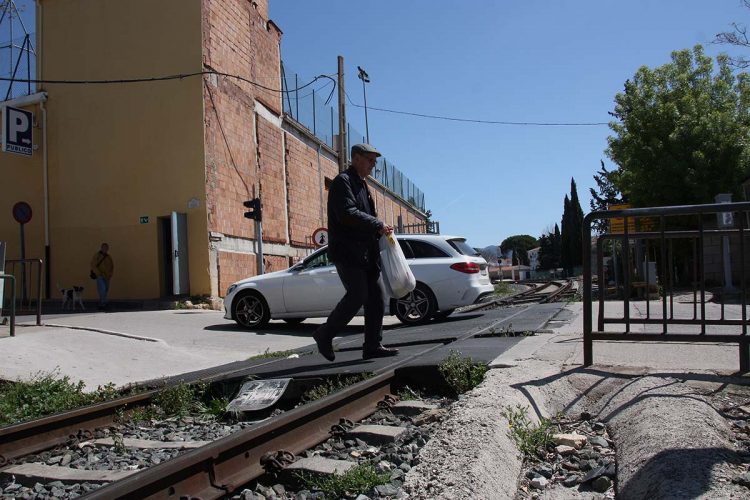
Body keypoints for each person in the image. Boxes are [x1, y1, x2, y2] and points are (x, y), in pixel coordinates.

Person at [312, 143, 398, 362]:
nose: (373, 165)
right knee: (357, 295)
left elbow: (363, 219)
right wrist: (377, 224)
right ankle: (325, 334)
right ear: (356, 158)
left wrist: (380, 230)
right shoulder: (343, 182)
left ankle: (372, 345)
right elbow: (347, 214)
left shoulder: (361, 184)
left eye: (374, 161)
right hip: (348, 253)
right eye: (370, 160)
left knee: (377, 298)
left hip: (367, 255)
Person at [90, 243, 114, 310]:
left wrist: (110, 274)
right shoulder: (97, 256)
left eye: (106, 248)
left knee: (106, 290)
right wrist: (99, 274)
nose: (105, 249)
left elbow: (111, 266)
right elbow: (93, 265)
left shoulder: (109, 257)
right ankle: (103, 303)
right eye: (104, 248)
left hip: (107, 276)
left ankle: (102, 303)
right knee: (102, 289)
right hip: (100, 276)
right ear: (101, 248)